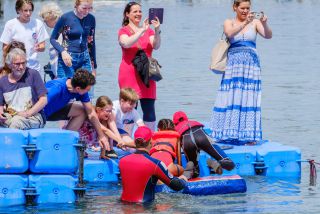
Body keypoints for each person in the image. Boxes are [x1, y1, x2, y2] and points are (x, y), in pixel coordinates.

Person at [210, 0, 272, 145]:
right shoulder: (229, 22)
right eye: (242, 8)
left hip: (251, 64)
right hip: (233, 65)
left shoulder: (255, 22)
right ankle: (227, 133)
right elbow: (229, 33)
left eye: (248, 8)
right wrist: (244, 23)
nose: (245, 11)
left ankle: (249, 135)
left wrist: (264, 23)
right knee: (231, 96)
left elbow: (268, 35)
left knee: (249, 97)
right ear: (235, 8)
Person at [118, 2, 161, 131]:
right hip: (129, 73)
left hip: (147, 73)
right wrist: (141, 30)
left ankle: (148, 140)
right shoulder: (123, 30)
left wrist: (157, 30)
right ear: (127, 14)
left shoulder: (148, 30)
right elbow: (126, 43)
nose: (138, 14)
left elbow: (156, 46)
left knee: (149, 109)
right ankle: (126, 141)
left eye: (140, 11)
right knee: (129, 108)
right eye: (135, 11)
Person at [44, 68, 108, 150]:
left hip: (55, 109)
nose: (88, 92)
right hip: (40, 111)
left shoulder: (81, 90)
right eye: (87, 90)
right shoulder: (57, 88)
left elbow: (91, 112)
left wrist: (101, 135)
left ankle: (64, 141)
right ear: (78, 88)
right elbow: (37, 103)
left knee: (82, 111)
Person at [119, 126, 186, 203]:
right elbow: (176, 186)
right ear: (151, 141)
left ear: (135, 141)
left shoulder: (122, 161)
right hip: (145, 208)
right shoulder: (155, 164)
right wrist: (184, 178)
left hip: (124, 205)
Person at [173, 111, 235, 178]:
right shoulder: (193, 122)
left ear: (175, 122)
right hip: (201, 136)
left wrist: (178, 169)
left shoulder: (175, 130)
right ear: (186, 118)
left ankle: (192, 173)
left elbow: (177, 153)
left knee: (194, 171)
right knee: (229, 163)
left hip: (187, 142)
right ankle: (213, 163)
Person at [0, 48, 47, 130]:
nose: (21, 67)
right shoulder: (2, 81)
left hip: (33, 116)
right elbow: (0, 105)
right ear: (9, 65)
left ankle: (13, 142)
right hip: (11, 115)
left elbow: (43, 100)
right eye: (17, 64)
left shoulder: (33, 74)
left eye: (23, 63)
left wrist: (28, 113)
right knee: (13, 120)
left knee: (16, 123)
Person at [50, 0, 96, 78]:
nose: (87, 11)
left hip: (84, 59)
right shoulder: (65, 18)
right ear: (76, 5)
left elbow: (91, 42)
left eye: (90, 8)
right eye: (84, 8)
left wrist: (94, 66)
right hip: (67, 57)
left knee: (85, 88)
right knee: (67, 87)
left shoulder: (91, 19)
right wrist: (62, 52)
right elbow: (53, 39)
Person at [0, 0, 49, 72]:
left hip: (33, 67)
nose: (28, 13)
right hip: (15, 68)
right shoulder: (10, 24)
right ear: (18, 10)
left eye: (30, 10)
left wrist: (39, 48)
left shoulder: (38, 24)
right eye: (25, 10)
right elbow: (4, 49)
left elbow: (43, 47)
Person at [39, 2, 63, 79]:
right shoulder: (60, 28)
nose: (44, 21)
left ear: (51, 17)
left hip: (60, 74)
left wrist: (57, 76)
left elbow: (61, 54)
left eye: (45, 19)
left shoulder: (59, 31)